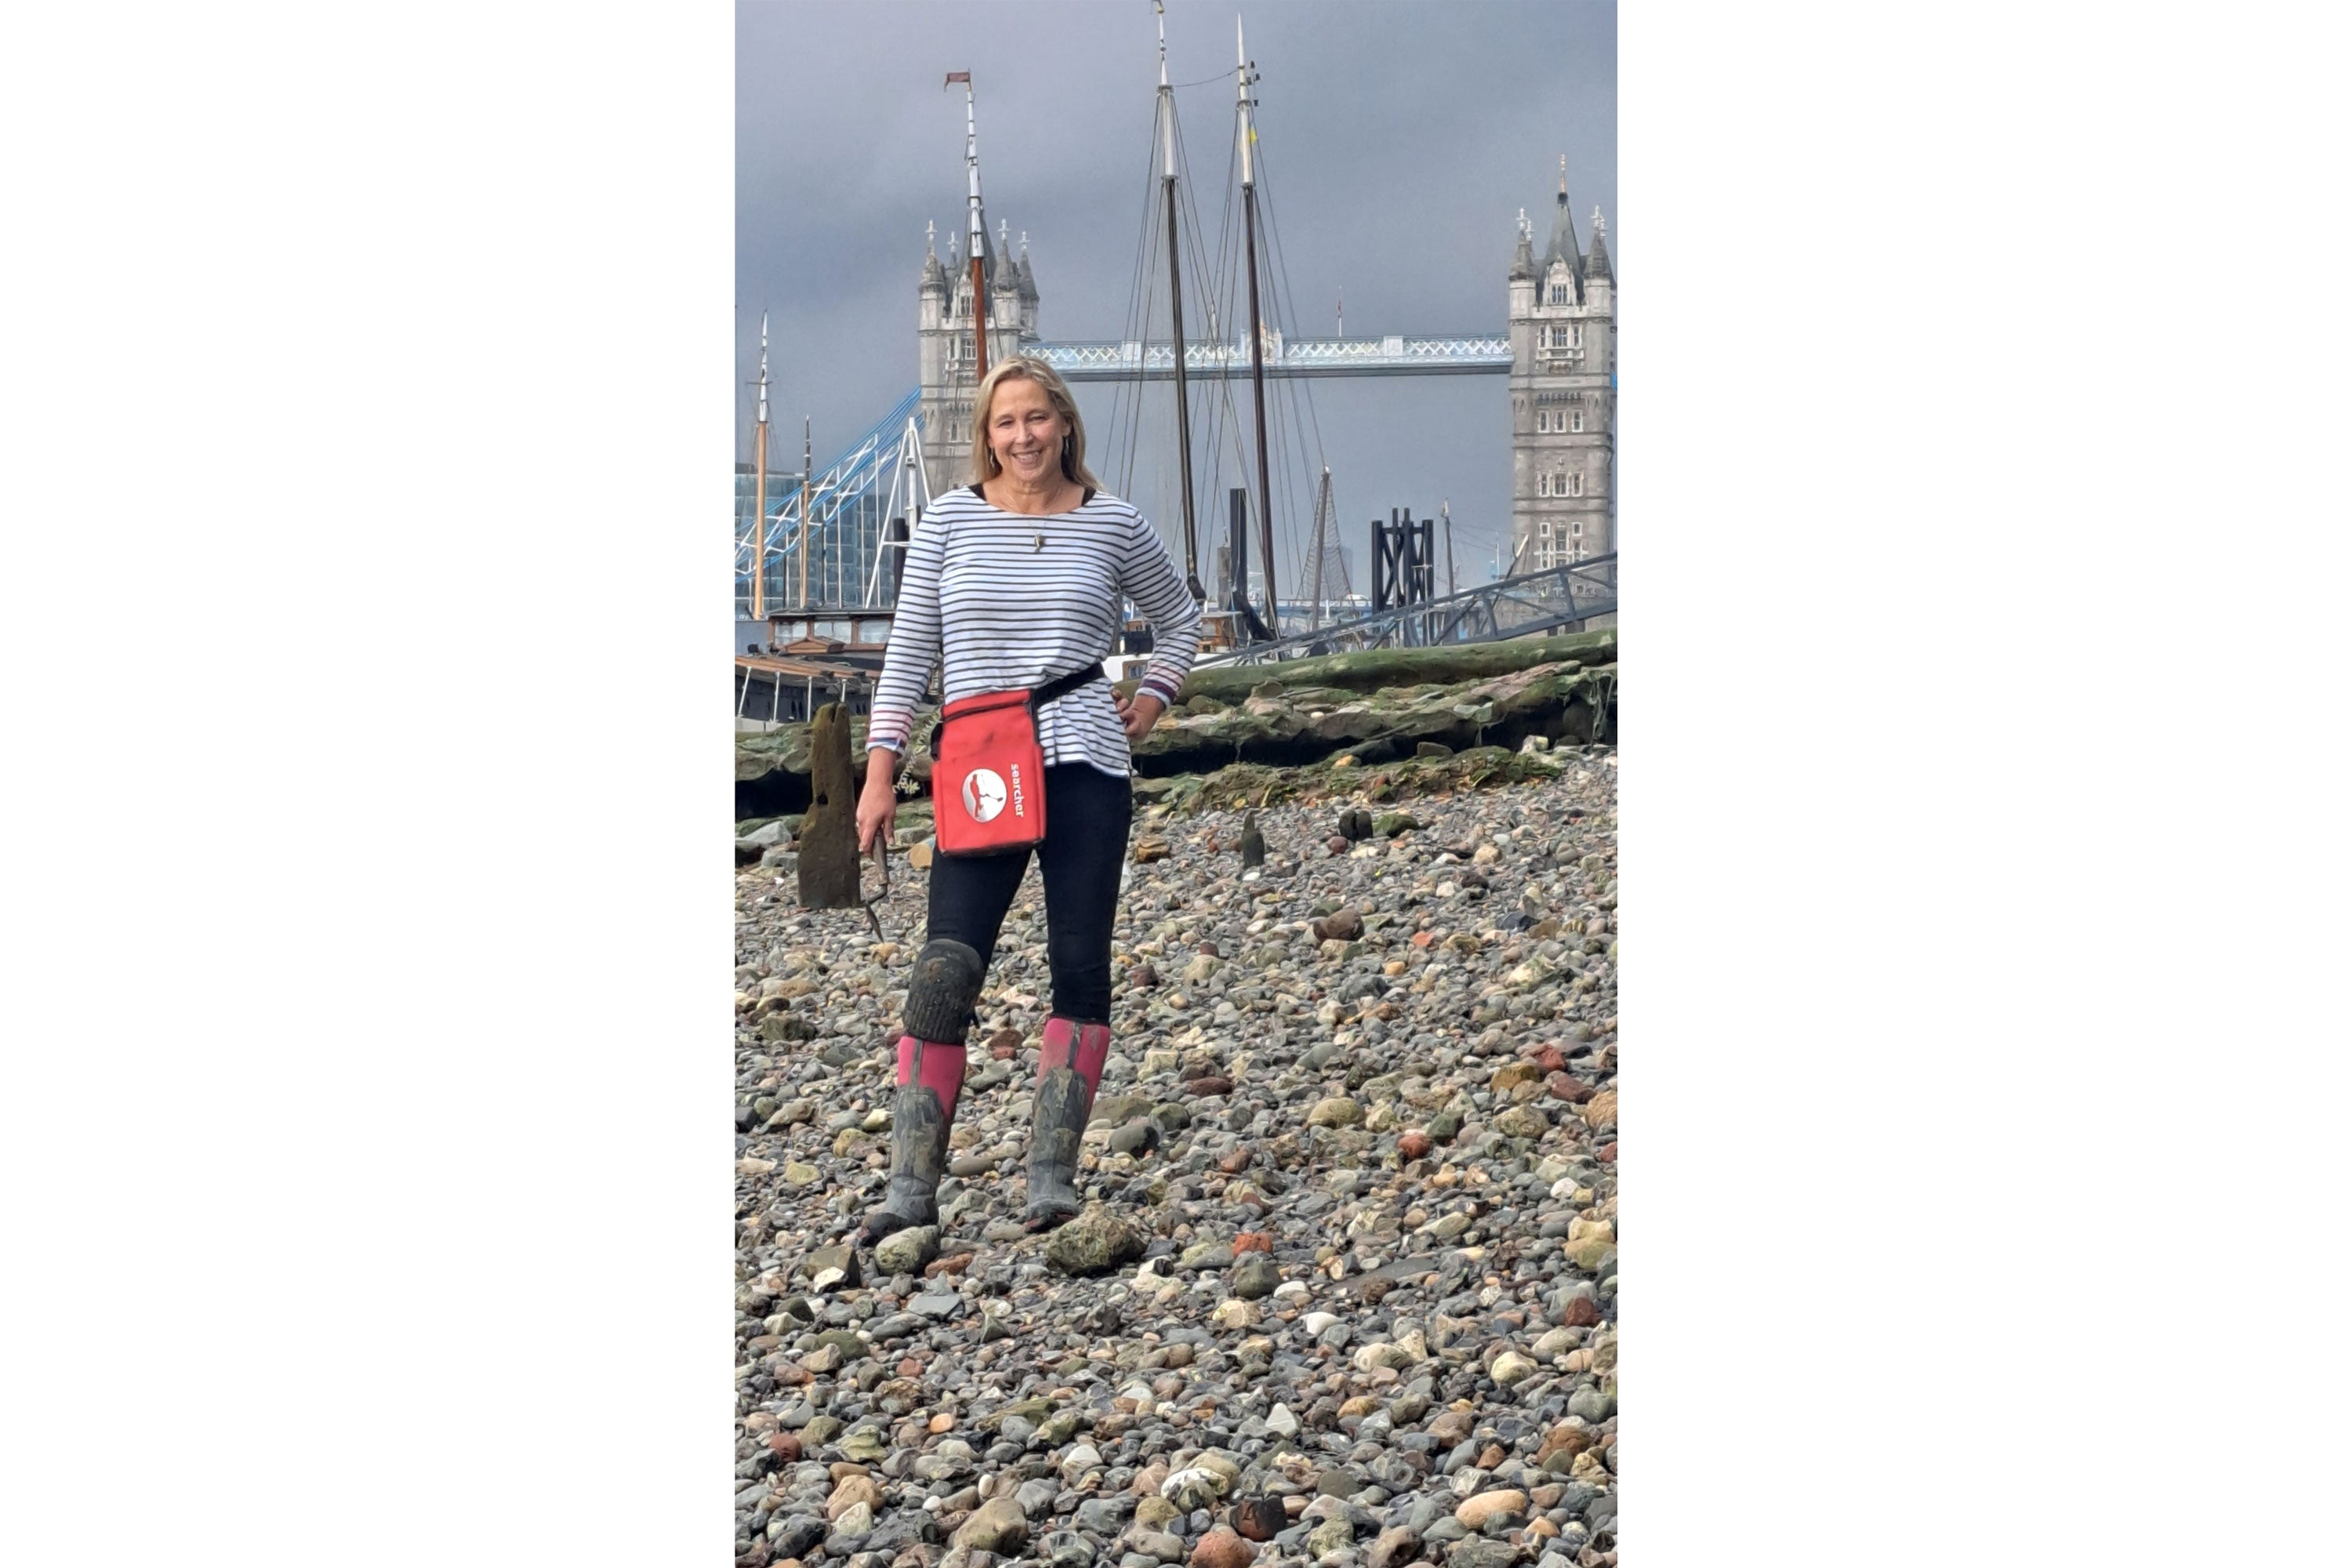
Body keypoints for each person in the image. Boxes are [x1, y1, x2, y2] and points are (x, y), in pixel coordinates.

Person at [856, 356, 1202, 1242]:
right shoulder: (948, 521)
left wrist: (1153, 699)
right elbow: (910, 650)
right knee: (945, 969)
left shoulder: (1115, 523)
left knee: (1079, 969)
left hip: (1087, 758)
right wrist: (880, 770)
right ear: (987, 433)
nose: (1023, 436)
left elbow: (1183, 617)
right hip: (979, 765)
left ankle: (1051, 1178)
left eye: (1038, 418)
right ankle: (909, 1188)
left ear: (1065, 424)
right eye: (1007, 422)